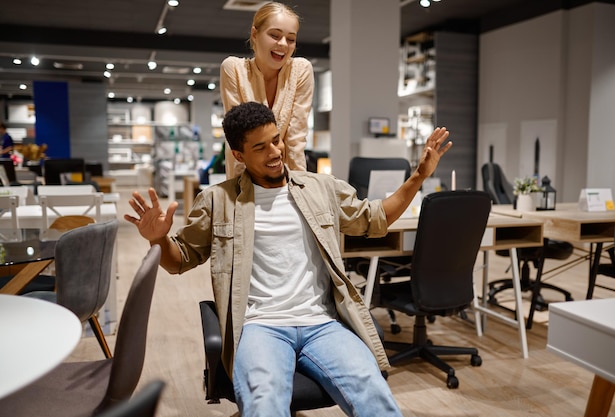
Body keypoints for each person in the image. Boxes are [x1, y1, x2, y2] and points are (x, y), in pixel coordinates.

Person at [125, 102, 452, 417]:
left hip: (322, 324)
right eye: (261, 147)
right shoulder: (217, 200)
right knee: (265, 403)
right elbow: (179, 260)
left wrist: (419, 175)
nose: (275, 152)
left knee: (373, 392)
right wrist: (158, 238)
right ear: (239, 155)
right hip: (259, 326)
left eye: (276, 140)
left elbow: (374, 218)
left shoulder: (319, 187)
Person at [220, 1, 313, 179]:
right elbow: (239, 139)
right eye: (275, 35)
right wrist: (240, 194)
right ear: (255, 34)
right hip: (245, 178)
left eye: (291, 39)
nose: (284, 44)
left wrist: (301, 190)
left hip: (284, 181)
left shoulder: (301, 70)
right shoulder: (233, 68)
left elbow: (296, 140)